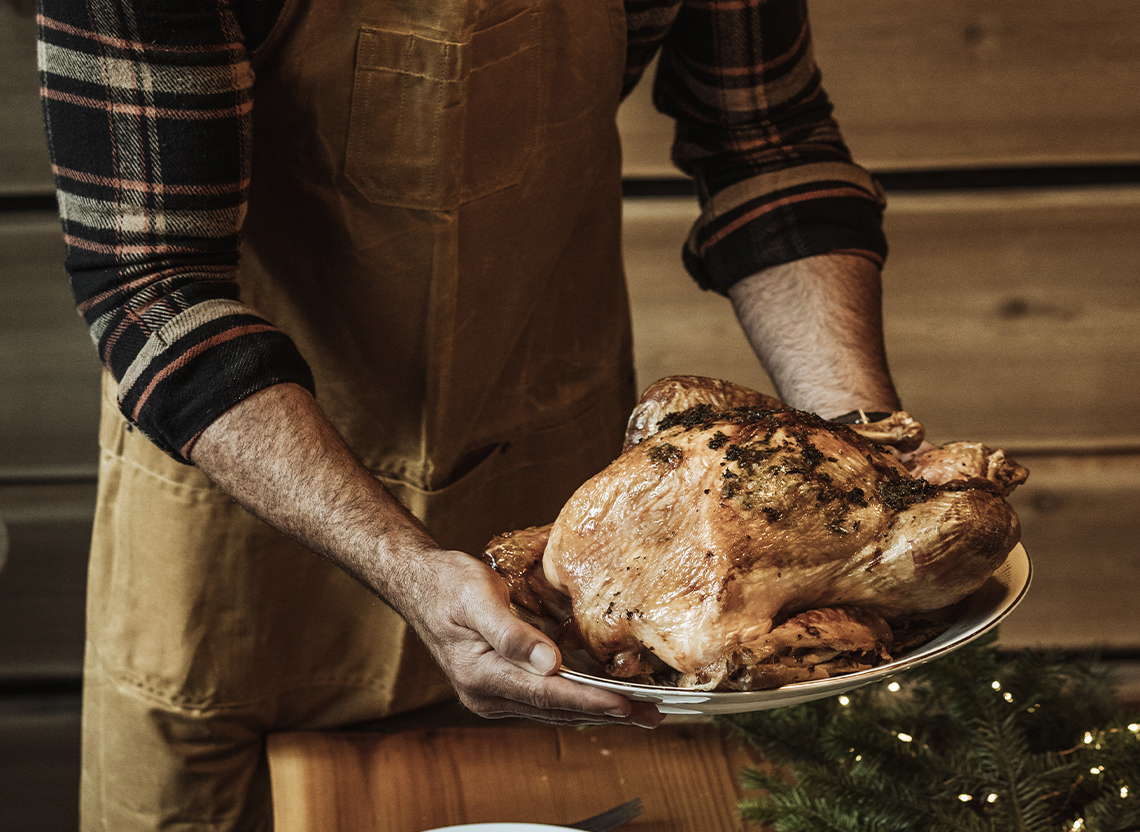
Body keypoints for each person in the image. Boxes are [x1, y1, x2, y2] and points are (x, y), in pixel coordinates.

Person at [37, 0, 901, 828]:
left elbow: (768, 145)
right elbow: (155, 286)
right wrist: (406, 567)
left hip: (566, 507)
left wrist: (871, 467)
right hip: (245, 510)